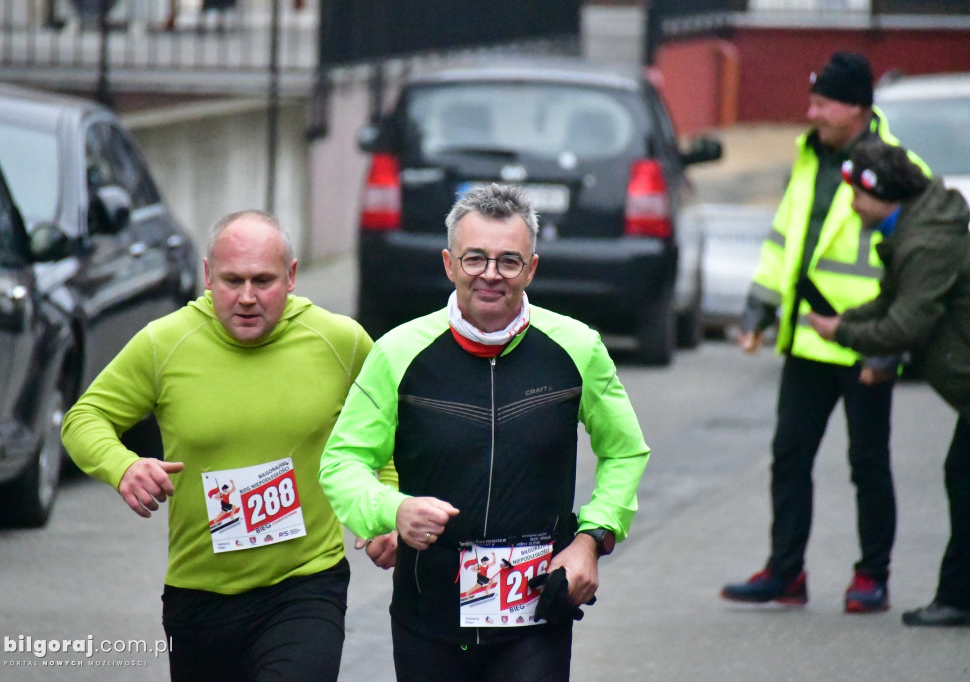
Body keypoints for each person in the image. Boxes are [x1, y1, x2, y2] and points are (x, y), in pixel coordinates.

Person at [319, 184, 650, 682]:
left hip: (534, 614)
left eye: (508, 261)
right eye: (475, 259)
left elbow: (625, 452)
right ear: (449, 263)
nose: (490, 275)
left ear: (532, 268)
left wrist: (592, 538)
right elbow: (342, 461)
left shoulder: (577, 348)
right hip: (427, 616)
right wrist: (392, 510)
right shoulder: (397, 352)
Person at [62, 210, 394, 680]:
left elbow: (385, 432)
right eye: (231, 280)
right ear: (207, 276)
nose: (246, 298)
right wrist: (123, 466)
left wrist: (384, 509)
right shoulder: (166, 343)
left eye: (263, 281)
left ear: (293, 276)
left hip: (304, 587)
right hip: (199, 595)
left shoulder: (339, 341)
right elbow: (83, 418)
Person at [721, 51, 927, 613]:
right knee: (789, 456)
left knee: (868, 463)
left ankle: (872, 577)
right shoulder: (809, 157)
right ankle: (786, 571)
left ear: (857, 107)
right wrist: (757, 313)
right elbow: (783, 241)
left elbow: (918, 263)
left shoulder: (896, 167)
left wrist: (894, 344)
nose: (810, 111)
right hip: (808, 339)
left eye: (822, 102)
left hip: (867, 342)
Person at [808, 139, 970, 627]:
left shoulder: (925, 242)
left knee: (963, 479)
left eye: (856, 194)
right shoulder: (916, 231)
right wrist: (851, 325)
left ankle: (958, 598)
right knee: (961, 477)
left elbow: (906, 324)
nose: (852, 205)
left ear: (881, 193)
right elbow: (893, 303)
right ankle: (958, 596)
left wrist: (845, 333)